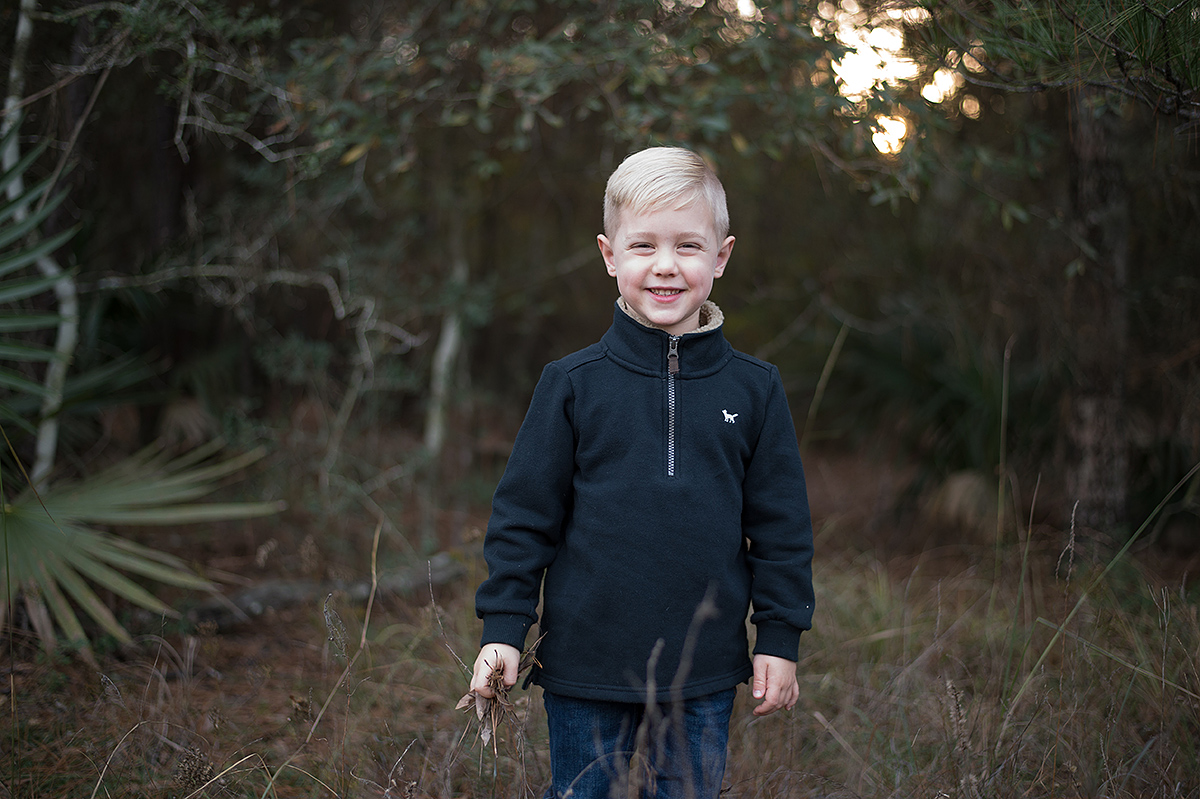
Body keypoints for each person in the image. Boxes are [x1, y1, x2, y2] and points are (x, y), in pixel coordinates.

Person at [470, 146, 815, 799]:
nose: (665, 264)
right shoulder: (573, 383)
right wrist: (504, 630)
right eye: (643, 245)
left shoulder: (755, 389)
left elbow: (782, 528)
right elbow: (523, 517)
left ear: (721, 256)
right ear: (609, 256)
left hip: (702, 670)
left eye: (688, 245)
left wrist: (779, 635)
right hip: (584, 664)